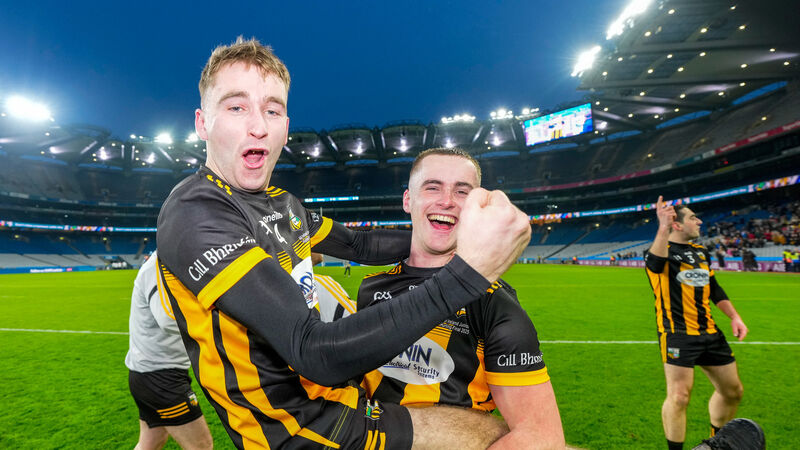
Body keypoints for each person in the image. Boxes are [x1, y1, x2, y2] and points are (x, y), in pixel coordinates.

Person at [156, 37, 532, 449]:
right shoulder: (195, 212)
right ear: (202, 123)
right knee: (491, 435)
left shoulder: (284, 204)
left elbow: (359, 246)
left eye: (272, 110)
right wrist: (468, 272)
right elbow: (314, 351)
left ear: (285, 127)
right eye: (236, 107)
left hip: (333, 398)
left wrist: (443, 236)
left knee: (486, 429)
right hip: (295, 429)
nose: (258, 126)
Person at [355, 148, 565, 449]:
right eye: (433, 187)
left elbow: (541, 437)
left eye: (462, 191)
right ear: (408, 200)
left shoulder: (495, 304)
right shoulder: (371, 288)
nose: (447, 201)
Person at [644, 197, 748, 450]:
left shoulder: (701, 252)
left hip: (710, 333)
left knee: (732, 391)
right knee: (679, 396)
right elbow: (654, 263)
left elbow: (714, 288)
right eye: (693, 217)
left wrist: (734, 317)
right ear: (677, 225)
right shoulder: (660, 251)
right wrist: (662, 226)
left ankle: (717, 442)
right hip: (678, 334)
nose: (699, 221)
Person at [125, 251, 213, 450]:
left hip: (149, 373)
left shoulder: (174, 260)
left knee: (152, 441)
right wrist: (215, 330)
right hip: (160, 378)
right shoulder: (159, 265)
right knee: (201, 445)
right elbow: (167, 319)